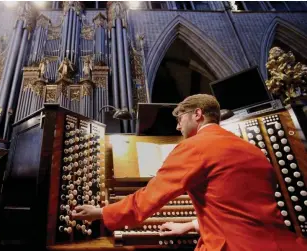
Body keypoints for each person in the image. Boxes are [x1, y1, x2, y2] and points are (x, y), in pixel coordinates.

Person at [72, 94, 307, 250]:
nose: (177, 126)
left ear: (197, 114)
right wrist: (192, 225)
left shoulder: (194, 147)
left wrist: (102, 212)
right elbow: (239, 209)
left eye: (180, 118)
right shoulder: (253, 150)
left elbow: (147, 199)